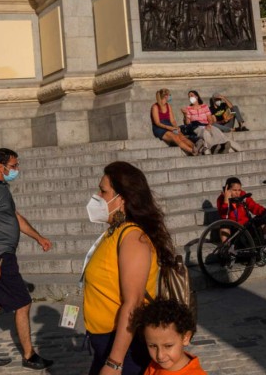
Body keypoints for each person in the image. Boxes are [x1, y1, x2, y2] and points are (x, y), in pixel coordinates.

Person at [83, 161, 176, 375]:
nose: (97, 196)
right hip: (104, 343)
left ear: (122, 199)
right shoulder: (115, 231)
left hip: (124, 346)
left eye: (103, 191)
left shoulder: (133, 237)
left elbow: (133, 303)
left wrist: (115, 363)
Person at [0, 148, 54, 371]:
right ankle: (29, 355)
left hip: (1, 254)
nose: (16, 170)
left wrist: (38, 237)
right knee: (23, 302)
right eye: (14, 166)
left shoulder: (2, 188)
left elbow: (15, 217)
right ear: (1, 167)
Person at [130, 299, 206, 375]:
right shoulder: (154, 365)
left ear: (185, 337)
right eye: (153, 346)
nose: (160, 355)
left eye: (168, 346)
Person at [150, 88, 198, 156]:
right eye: (170, 95)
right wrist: (169, 128)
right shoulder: (155, 107)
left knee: (181, 136)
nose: (170, 97)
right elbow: (157, 123)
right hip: (160, 128)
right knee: (175, 137)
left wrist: (176, 127)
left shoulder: (168, 106)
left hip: (169, 126)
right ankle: (192, 151)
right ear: (166, 96)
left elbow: (172, 120)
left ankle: (195, 147)